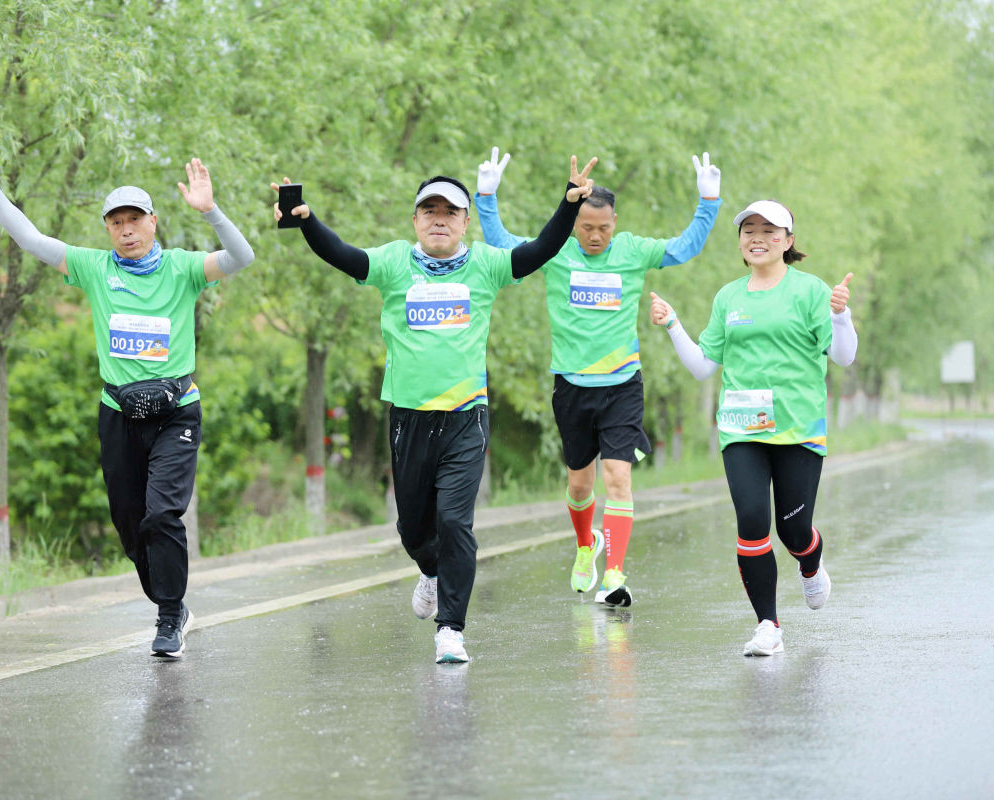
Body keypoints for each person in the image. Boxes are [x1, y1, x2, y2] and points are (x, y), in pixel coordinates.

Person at [272, 156, 595, 662]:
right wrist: (307, 220)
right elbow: (342, 254)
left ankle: (452, 630)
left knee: (455, 522)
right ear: (416, 220)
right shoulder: (395, 262)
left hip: (466, 414)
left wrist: (569, 203)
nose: (440, 218)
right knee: (413, 529)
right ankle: (429, 571)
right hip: (408, 416)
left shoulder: (487, 264)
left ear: (466, 221)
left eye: (451, 211)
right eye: (430, 210)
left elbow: (538, 250)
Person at [0, 139, 256, 659]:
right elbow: (31, 240)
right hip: (118, 415)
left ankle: (168, 615)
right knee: (132, 526)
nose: (127, 230)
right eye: (116, 222)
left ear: (153, 222)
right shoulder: (95, 269)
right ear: (108, 230)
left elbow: (241, 257)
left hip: (176, 412)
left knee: (163, 515)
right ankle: (169, 603)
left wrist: (211, 212)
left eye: (135, 219)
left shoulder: (182, 269)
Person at [474, 147, 722, 606]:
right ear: (573, 224)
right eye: (586, 228)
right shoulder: (555, 251)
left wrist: (708, 203)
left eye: (603, 228)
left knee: (618, 477)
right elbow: (503, 243)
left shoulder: (632, 250)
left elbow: (684, 247)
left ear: (615, 222)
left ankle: (614, 574)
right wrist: (485, 196)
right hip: (571, 385)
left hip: (622, 383)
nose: (595, 236)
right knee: (580, 484)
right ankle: (586, 545)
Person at [648, 199, 857, 656]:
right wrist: (673, 325)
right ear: (741, 242)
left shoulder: (811, 291)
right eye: (749, 230)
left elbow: (843, 356)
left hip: (798, 429)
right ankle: (768, 626)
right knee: (752, 522)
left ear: (789, 240)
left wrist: (841, 315)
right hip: (742, 429)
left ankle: (811, 563)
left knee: (793, 531)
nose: (758, 237)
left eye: (769, 229)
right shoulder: (729, 297)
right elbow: (705, 367)